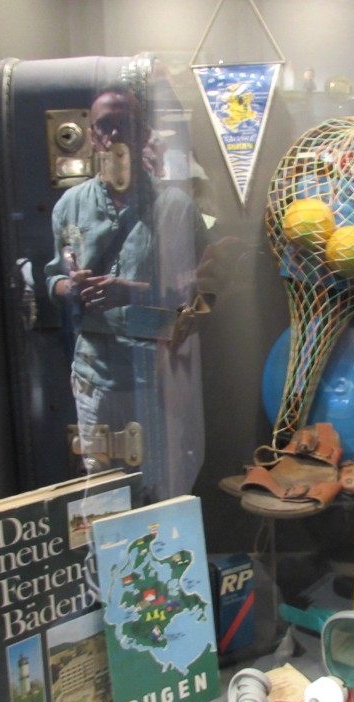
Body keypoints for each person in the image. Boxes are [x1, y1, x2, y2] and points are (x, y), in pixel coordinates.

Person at [45, 83, 209, 503]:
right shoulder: (70, 206)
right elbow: (53, 278)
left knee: (163, 486)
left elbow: (203, 291)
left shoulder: (176, 206)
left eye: (125, 124)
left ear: (144, 133)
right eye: (104, 126)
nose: (114, 135)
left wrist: (132, 292)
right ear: (92, 134)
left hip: (158, 377)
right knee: (102, 491)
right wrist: (71, 287)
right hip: (95, 377)